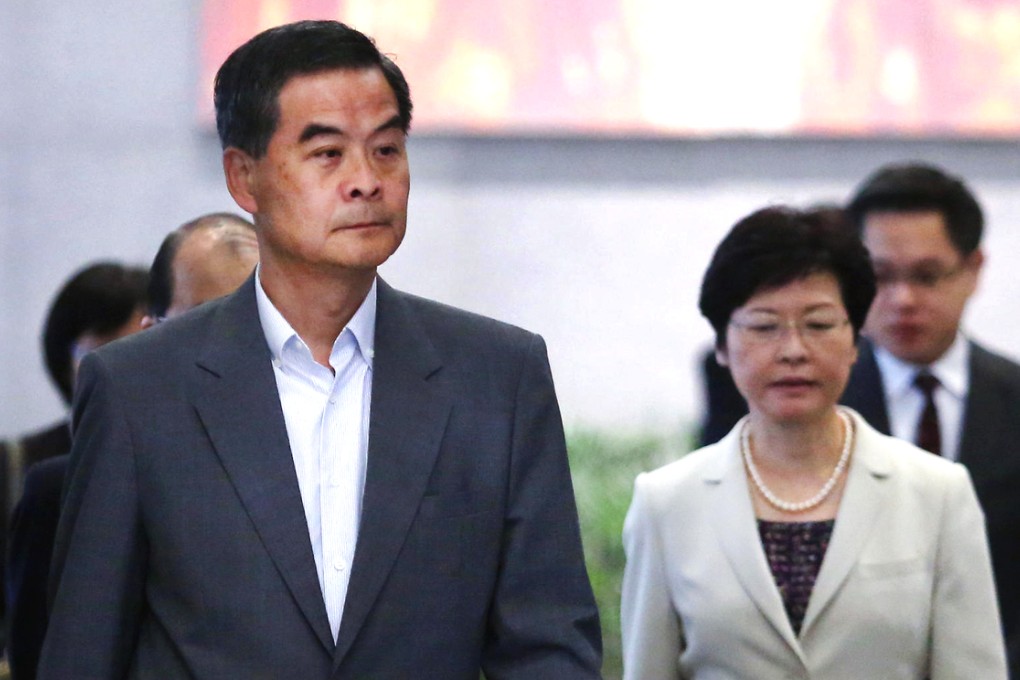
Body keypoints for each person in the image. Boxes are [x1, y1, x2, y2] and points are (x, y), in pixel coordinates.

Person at [38, 20, 601, 680]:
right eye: (328, 154)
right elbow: (84, 651)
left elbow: (548, 646)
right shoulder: (139, 389)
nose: (366, 180)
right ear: (244, 179)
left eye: (387, 150)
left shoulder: (498, 376)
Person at [622, 206, 1006, 679]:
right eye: (763, 326)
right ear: (722, 345)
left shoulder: (937, 491)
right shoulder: (666, 503)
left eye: (820, 324)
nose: (793, 350)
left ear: (855, 339)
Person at [5, 214, 259, 680]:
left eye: (260, 326)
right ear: (150, 336)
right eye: (208, 320)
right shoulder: (58, 493)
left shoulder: (323, 478)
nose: (238, 350)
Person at [0, 262, 147, 652]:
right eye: (103, 351)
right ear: (64, 356)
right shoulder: (15, 467)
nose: (120, 370)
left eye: (140, 352)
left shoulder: (174, 466)